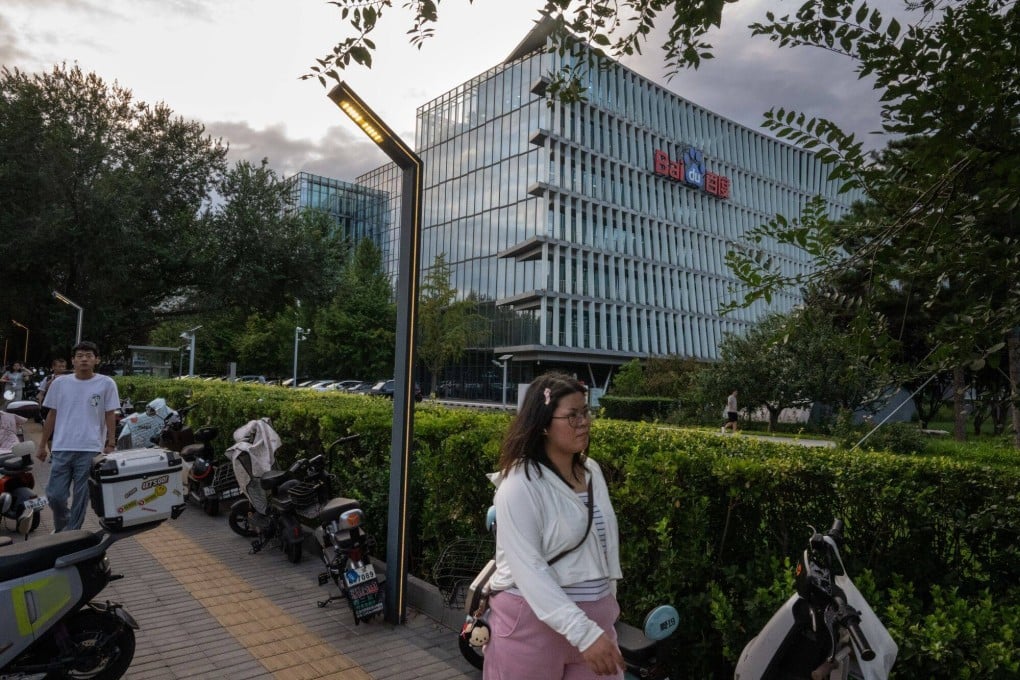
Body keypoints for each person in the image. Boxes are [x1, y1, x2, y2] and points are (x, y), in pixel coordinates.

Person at [484, 372, 624, 679]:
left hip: (596, 623)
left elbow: (601, 548)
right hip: (531, 625)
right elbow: (529, 570)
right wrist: (583, 632)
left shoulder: (592, 472)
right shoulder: (519, 484)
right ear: (544, 424)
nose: (584, 422)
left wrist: (604, 611)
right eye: (572, 416)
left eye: (586, 412)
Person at [37, 341, 120, 532]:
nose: (84, 359)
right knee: (55, 495)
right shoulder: (60, 383)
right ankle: (64, 526)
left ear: (97, 360)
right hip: (62, 447)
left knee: (81, 497)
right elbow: (52, 415)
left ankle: (70, 534)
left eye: (89, 356)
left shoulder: (106, 383)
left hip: (90, 448)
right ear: (73, 360)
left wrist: (111, 442)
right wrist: (42, 445)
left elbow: (110, 414)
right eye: (80, 356)